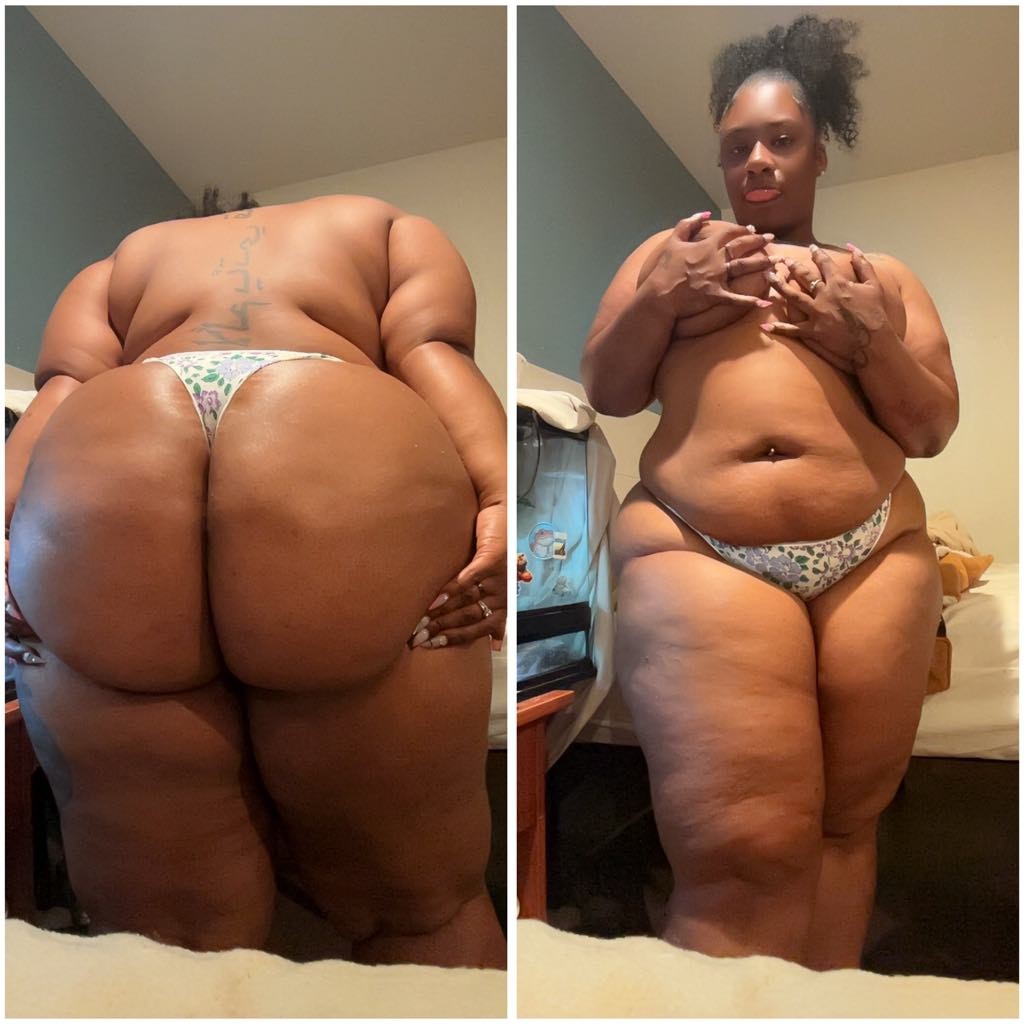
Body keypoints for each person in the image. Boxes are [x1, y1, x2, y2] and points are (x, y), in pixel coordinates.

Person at [5, 190, 507, 969]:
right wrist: (501, 496)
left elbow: (60, 394)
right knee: (417, 910)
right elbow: (432, 353)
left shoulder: (120, 261)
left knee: (166, 936)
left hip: (114, 447)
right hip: (323, 418)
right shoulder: (380, 224)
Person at [581, 14, 957, 970]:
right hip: (698, 549)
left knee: (848, 822)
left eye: (780, 140)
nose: (756, 160)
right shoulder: (670, 257)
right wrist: (662, 297)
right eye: (737, 145)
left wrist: (866, 341)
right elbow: (609, 392)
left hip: (874, 553)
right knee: (740, 854)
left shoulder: (879, 277)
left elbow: (931, 429)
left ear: (819, 151)